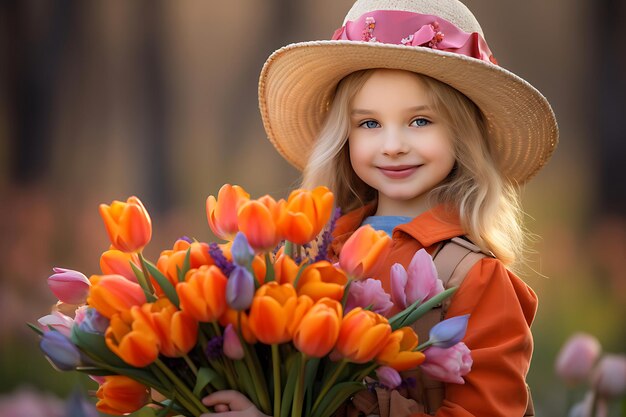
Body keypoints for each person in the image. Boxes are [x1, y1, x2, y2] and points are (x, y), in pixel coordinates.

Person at [202, 0, 558, 415]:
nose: (393, 146)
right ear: (344, 136)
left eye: (420, 120)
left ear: (462, 134)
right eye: (369, 123)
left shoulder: (475, 279)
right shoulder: (307, 256)